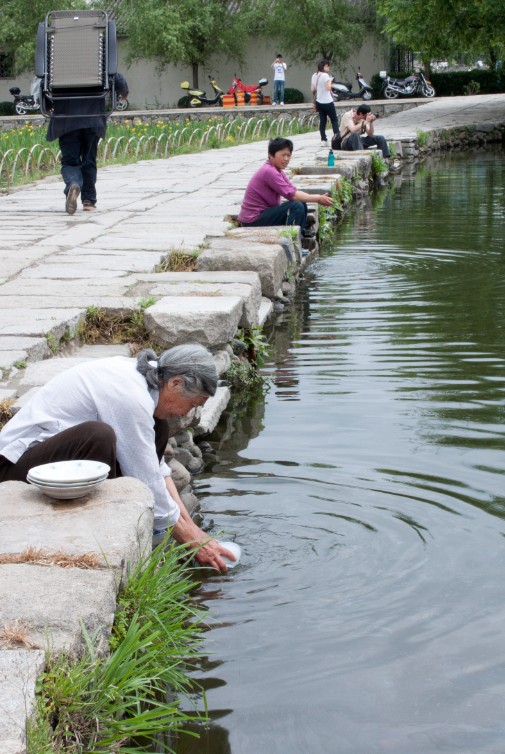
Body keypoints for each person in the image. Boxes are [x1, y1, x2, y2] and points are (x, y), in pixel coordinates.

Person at [0, 344, 235, 572]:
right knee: (98, 436)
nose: (187, 413)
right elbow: (144, 474)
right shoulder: (129, 395)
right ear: (175, 383)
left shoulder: (148, 379)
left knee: (158, 427)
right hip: (14, 468)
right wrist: (187, 538)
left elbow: (157, 469)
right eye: (193, 404)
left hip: (54, 463)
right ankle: (103, 534)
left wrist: (193, 529)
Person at [47, 72, 129, 215]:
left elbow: (43, 81)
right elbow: (116, 77)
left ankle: (74, 184)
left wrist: (48, 104)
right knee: (89, 160)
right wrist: (123, 92)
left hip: (66, 119)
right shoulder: (99, 53)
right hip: (93, 117)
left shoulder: (56, 59)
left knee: (70, 161)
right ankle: (89, 201)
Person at [237, 137, 334, 235]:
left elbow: (293, 190)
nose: (286, 159)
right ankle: (293, 240)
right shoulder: (269, 171)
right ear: (271, 155)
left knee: (301, 203)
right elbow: (291, 195)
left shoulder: (277, 170)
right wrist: (318, 198)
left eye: (288, 155)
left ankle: (301, 237)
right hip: (252, 220)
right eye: (283, 155)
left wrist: (317, 197)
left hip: (262, 214)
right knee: (296, 206)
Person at [311, 59, 339, 147]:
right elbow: (328, 88)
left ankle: (323, 139)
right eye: (328, 66)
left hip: (319, 101)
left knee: (323, 121)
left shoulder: (314, 75)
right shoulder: (325, 75)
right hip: (328, 101)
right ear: (324, 66)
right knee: (334, 120)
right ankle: (337, 138)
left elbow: (312, 89)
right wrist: (330, 80)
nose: (329, 68)